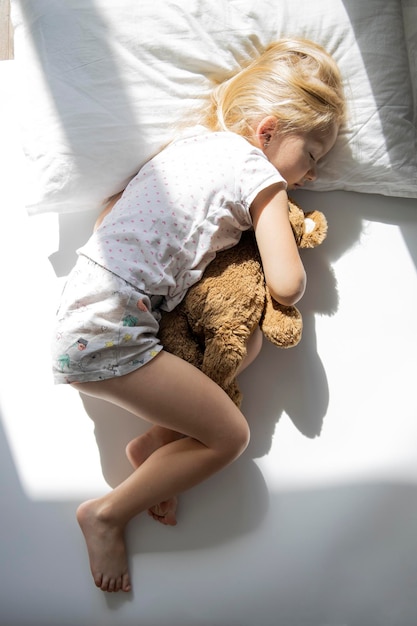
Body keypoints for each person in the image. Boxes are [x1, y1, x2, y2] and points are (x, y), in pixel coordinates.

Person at [51, 37, 345, 593]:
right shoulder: (261, 176)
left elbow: (107, 214)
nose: (309, 176)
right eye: (310, 155)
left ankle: (155, 445)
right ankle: (108, 513)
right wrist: (288, 243)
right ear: (267, 131)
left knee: (246, 344)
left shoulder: (188, 145)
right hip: (110, 328)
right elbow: (285, 283)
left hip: (87, 302)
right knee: (230, 437)